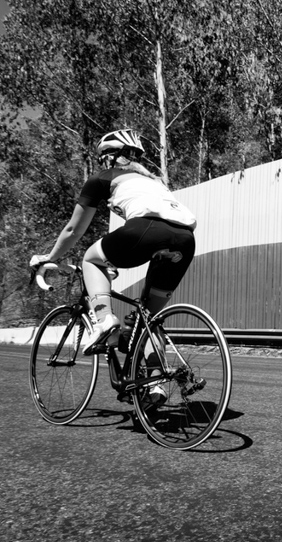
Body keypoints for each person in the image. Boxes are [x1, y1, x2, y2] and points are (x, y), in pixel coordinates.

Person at [29, 129, 197, 388]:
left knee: (90, 260)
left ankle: (104, 318)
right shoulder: (155, 182)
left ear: (110, 156)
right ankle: (155, 385)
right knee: (149, 319)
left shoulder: (102, 178)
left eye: (102, 157)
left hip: (146, 230)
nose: (101, 162)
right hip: (185, 240)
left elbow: (73, 230)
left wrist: (49, 257)